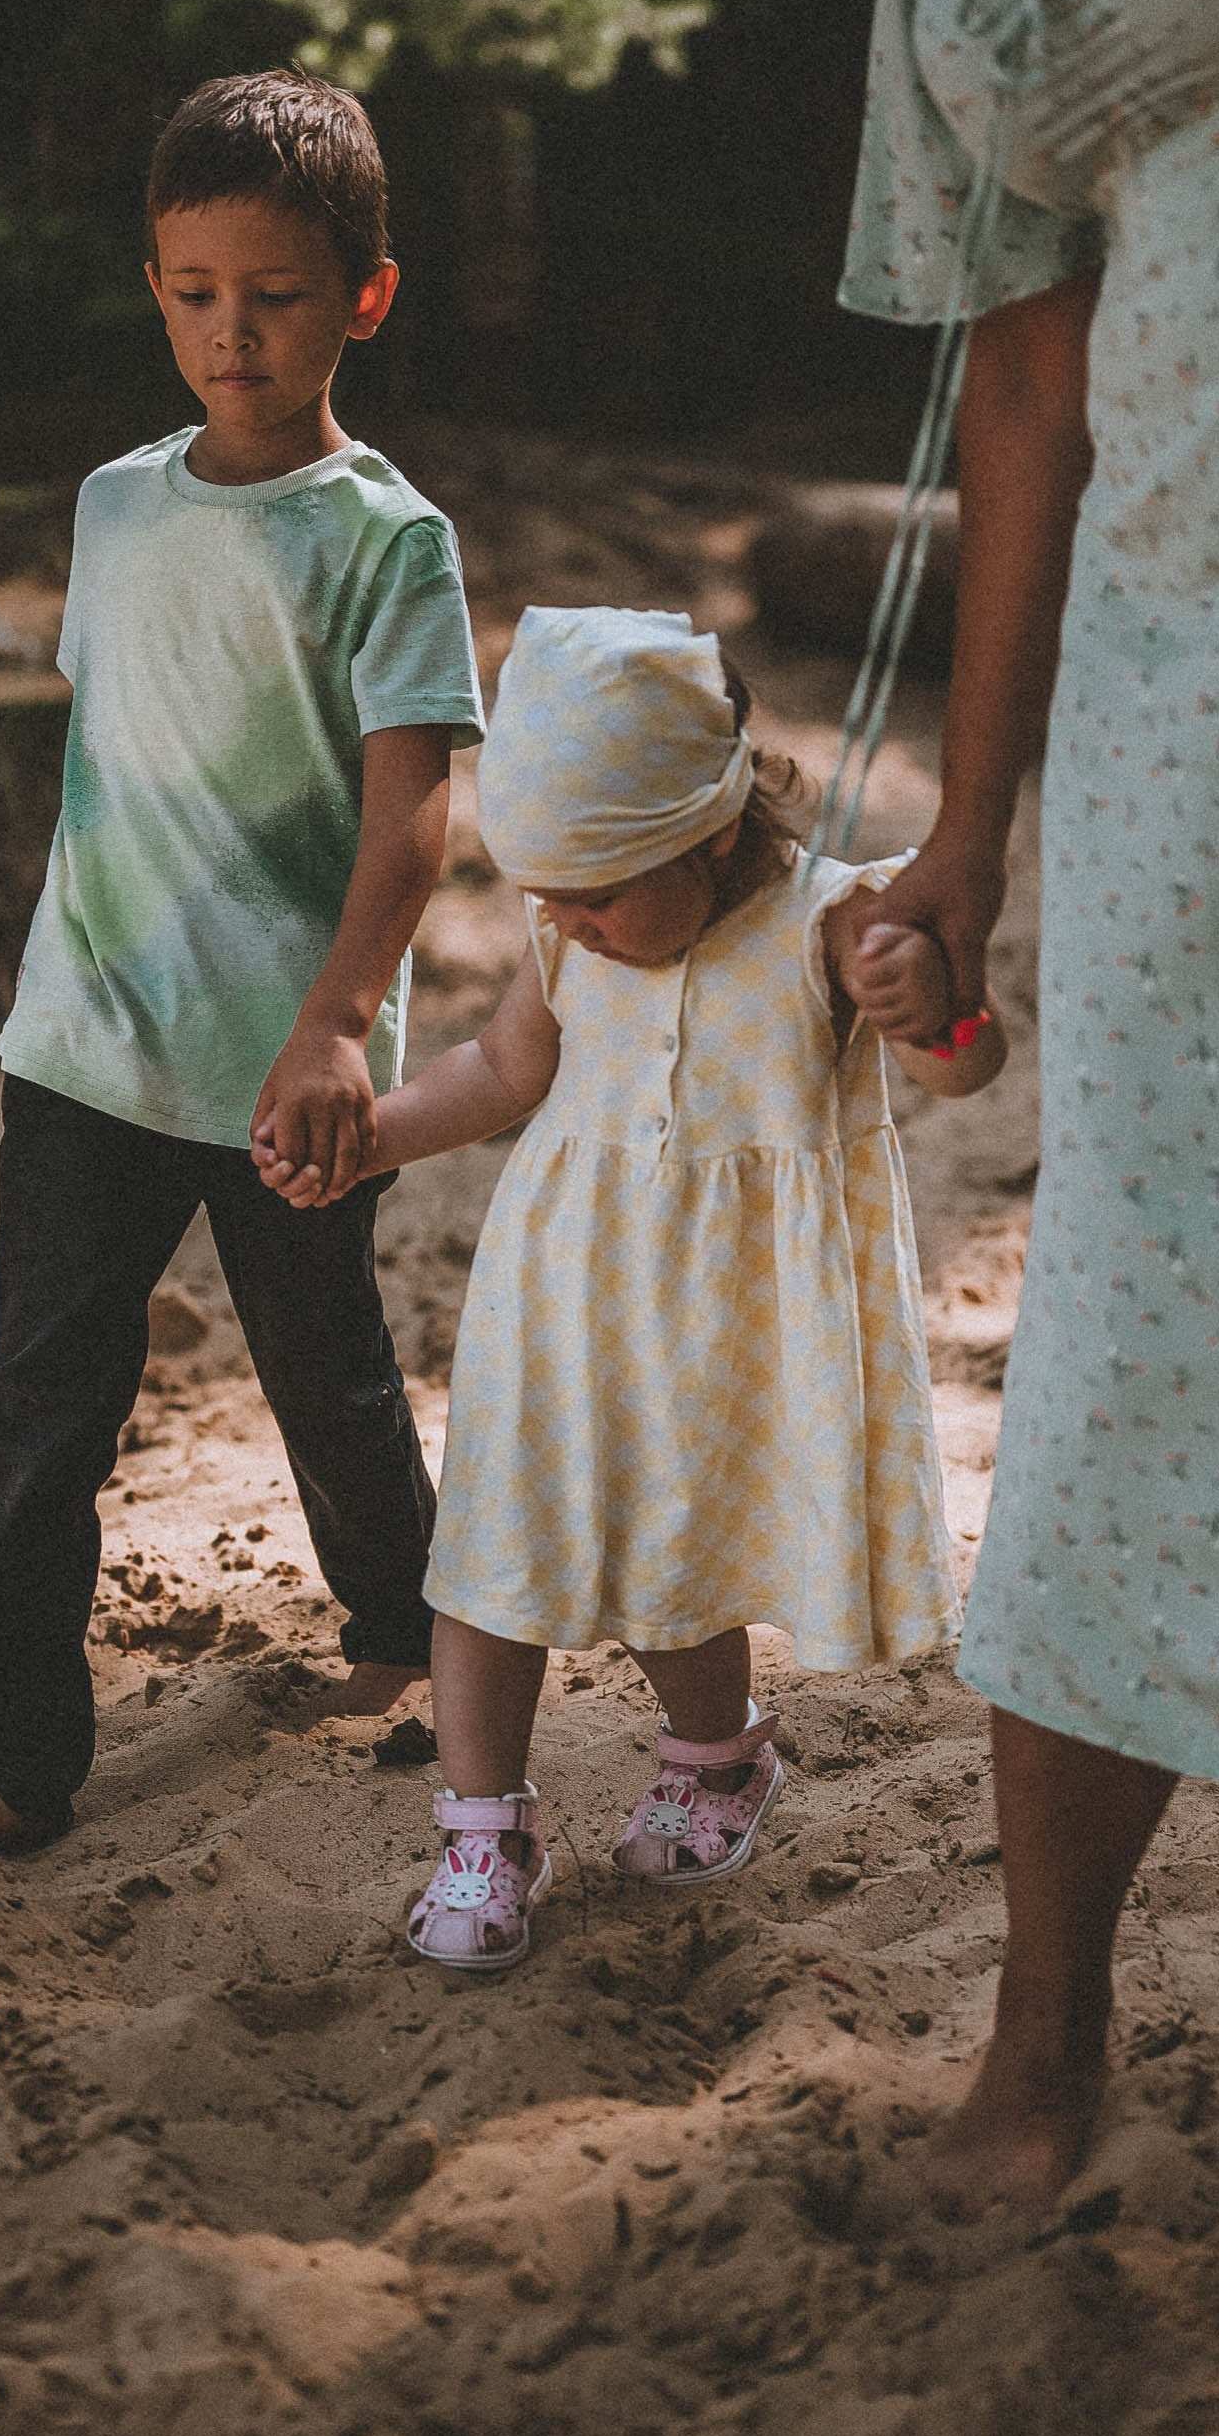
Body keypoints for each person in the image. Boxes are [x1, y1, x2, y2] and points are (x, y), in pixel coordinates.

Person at [732, 0, 1219, 2207]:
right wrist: (959, 834)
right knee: (1131, 1304)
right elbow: (1021, 370)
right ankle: (1043, 2045)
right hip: (1187, 677)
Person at [258, 606, 1005, 1967]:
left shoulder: (827, 923)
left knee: (684, 1551)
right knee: (484, 1554)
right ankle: (482, 1827)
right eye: (548, 893)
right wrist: (376, 1136)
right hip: (561, 1293)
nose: (568, 922)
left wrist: (932, 1002)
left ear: (713, 830)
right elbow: (502, 1071)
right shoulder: (568, 934)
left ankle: (716, 1757)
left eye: (596, 891)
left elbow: (959, 1066)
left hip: (729, 1320)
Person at [0, 70, 485, 1853]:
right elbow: (117, 753)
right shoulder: (111, 506)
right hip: (84, 1044)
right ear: (153, 284)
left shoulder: (389, 541)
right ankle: (13, 1754)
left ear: (364, 299)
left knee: (321, 1368)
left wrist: (334, 1026)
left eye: (276, 297)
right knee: (38, 1402)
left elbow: (411, 815)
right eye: (192, 294)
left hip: (284, 1065)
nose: (230, 335)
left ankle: (400, 1629)